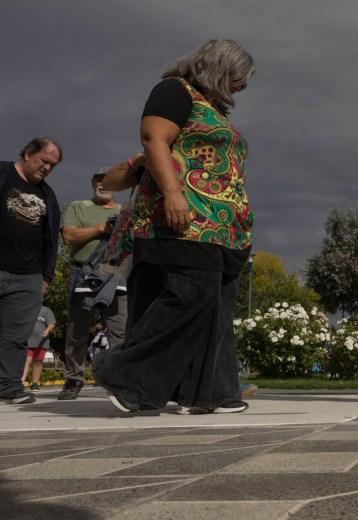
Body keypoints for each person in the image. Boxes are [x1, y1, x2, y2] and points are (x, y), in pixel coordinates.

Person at [93, 38, 255, 414]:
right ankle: (123, 374)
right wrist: (172, 193)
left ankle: (209, 392)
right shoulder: (174, 91)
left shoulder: (212, 108)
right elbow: (153, 139)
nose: (241, 87)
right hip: (184, 219)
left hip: (224, 228)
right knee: (190, 295)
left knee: (216, 308)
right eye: (237, 77)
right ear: (217, 67)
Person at [0, 138, 62, 405]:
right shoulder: (3, 173)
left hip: (28, 276)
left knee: (16, 336)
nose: (47, 168)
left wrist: (46, 277)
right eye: (43, 161)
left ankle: (9, 386)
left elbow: (52, 241)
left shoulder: (48, 195)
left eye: (53, 165)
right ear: (27, 153)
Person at [58, 168, 127, 400]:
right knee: (78, 328)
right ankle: (73, 378)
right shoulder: (78, 207)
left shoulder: (125, 212)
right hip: (82, 273)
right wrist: (102, 229)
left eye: (109, 181)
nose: (104, 184)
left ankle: (119, 379)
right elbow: (68, 237)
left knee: (120, 329)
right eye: (99, 180)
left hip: (116, 275)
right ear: (92, 183)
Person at [22, 305, 55, 391]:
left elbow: (51, 324)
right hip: (27, 341)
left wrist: (47, 330)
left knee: (37, 362)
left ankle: (35, 383)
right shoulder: (25, 308)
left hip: (41, 342)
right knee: (26, 361)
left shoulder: (46, 310)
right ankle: (20, 383)